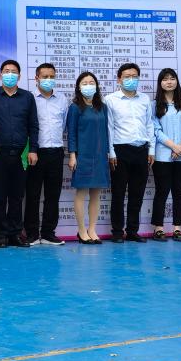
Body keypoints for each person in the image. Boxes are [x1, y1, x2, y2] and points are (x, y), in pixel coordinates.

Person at [0, 59, 38, 248]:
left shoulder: (27, 97)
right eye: (6, 71)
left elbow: (33, 125)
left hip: (21, 154)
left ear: (19, 76)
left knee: (17, 196)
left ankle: (15, 233)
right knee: (0, 196)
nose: (10, 74)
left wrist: (33, 150)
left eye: (13, 71)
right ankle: (1, 234)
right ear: (0, 75)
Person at [105, 63, 154, 243]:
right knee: (118, 193)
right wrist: (111, 153)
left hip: (142, 150)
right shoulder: (110, 100)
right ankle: (117, 232)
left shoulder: (145, 99)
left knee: (137, 193)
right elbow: (109, 128)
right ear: (119, 79)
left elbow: (149, 124)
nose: (131, 79)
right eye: (127, 76)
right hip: (120, 150)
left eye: (134, 76)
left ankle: (133, 231)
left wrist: (151, 149)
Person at [149, 68, 181, 242]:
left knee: (179, 192)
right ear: (160, 83)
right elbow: (156, 130)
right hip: (163, 156)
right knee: (162, 191)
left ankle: (178, 228)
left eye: (172, 78)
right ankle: (158, 228)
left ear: (177, 81)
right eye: (165, 79)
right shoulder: (154, 105)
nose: (169, 82)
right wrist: (174, 147)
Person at [24, 63, 67, 247]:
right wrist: (32, 150)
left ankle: (49, 233)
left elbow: (63, 124)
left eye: (52, 76)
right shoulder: (29, 98)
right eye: (45, 77)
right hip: (35, 152)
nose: (49, 80)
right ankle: (32, 234)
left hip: (56, 151)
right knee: (32, 194)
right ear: (36, 78)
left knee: (53, 195)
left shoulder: (62, 99)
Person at [67, 72, 109, 244]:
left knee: (96, 193)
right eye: (85, 83)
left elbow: (106, 132)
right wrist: (72, 155)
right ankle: (81, 230)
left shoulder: (102, 107)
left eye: (92, 82)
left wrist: (108, 153)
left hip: (100, 156)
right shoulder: (75, 108)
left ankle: (92, 229)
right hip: (83, 156)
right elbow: (71, 134)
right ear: (78, 87)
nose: (89, 85)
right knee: (82, 192)